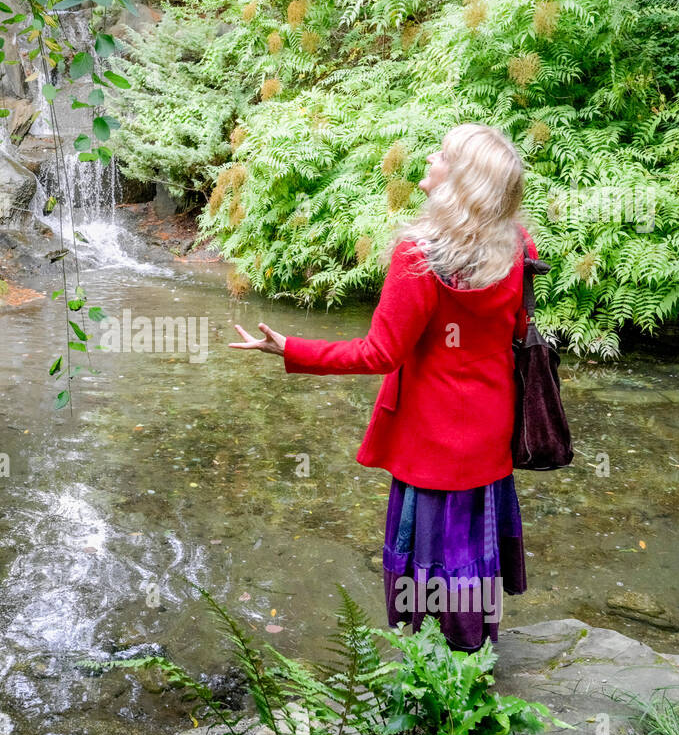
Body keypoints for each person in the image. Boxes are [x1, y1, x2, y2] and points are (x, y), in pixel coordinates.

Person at [230, 123, 537, 653]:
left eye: (440, 156)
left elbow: (379, 353)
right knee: (470, 556)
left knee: (429, 559)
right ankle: (474, 660)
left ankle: (433, 674)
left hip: (432, 443)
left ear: (460, 181)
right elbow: (513, 335)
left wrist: (292, 349)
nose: (428, 162)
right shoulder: (518, 247)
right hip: (490, 434)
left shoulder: (420, 257)